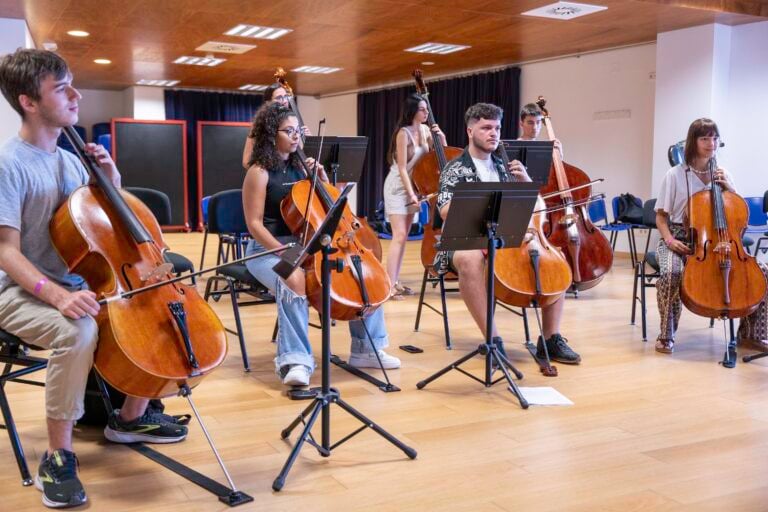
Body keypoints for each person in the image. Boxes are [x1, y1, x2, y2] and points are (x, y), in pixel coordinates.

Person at [0, 49, 187, 509]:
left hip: (79, 284)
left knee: (153, 305)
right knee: (78, 329)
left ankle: (128, 418)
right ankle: (58, 457)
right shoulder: (9, 165)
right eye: (62, 89)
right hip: (22, 291)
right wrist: (57, 296)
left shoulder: (70, 161)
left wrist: (109, 178)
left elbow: (108, 233)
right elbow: (5, 252)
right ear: (29, 101)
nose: (75, 95)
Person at [242, 102, 401, 387]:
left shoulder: (304, 169)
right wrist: (282, 252)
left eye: (297, 131)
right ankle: (296, 361)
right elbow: (253, 224)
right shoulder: (259, 171)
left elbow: (329, 212)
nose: (295, 137)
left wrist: (324, 179)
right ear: (270, 134)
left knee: (359, 271)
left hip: (305, 243)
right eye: (288, 131)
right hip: (266, 248)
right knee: (294, 279)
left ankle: (367, 348)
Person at [434, 103, 581, 364]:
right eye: (486, 128)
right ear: (470, 131)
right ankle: (493, 340)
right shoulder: (455, 168)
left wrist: (526, 183)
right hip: (466, 238)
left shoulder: (508, 166)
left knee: (555, 255)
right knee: (470, 260)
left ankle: (550, 338)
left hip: (507, 237)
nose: (494, 133)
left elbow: (536, 208)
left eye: (497, 128)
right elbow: (445, 210)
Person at [653, 118, 768, 353]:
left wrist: (730, 188)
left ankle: (751, 334)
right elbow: (661, 218)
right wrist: (670, 240)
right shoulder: (675, 175)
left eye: (714, 138)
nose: (711, 143)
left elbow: (736, 211)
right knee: (671, 273)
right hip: (677, 237)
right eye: (705, 138)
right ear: (692, 141)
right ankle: (666, 334)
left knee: (763, 272)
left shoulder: (723, 174)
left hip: (721, 241)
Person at [382, 93, 446, 298]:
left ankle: (395, 280)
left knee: (405, 236)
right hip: (398, 187)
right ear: (412, 111)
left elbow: (441, 153)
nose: (426, 112)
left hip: (414, 186)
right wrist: (410, 194)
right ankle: (388, 285)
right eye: (422, 109)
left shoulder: (426, 129)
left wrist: (441, 135)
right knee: (399, 236)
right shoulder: (403, 133)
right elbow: (401, 168)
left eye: (426, 108)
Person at [242, 82, 310, 169]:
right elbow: (246, 161)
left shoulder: (293, 122)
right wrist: (268, 172)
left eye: (286, 97)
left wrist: (308, 142)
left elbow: (302, 158)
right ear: (268, 102)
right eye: (279, 98)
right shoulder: (259, 126)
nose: (284, 101)